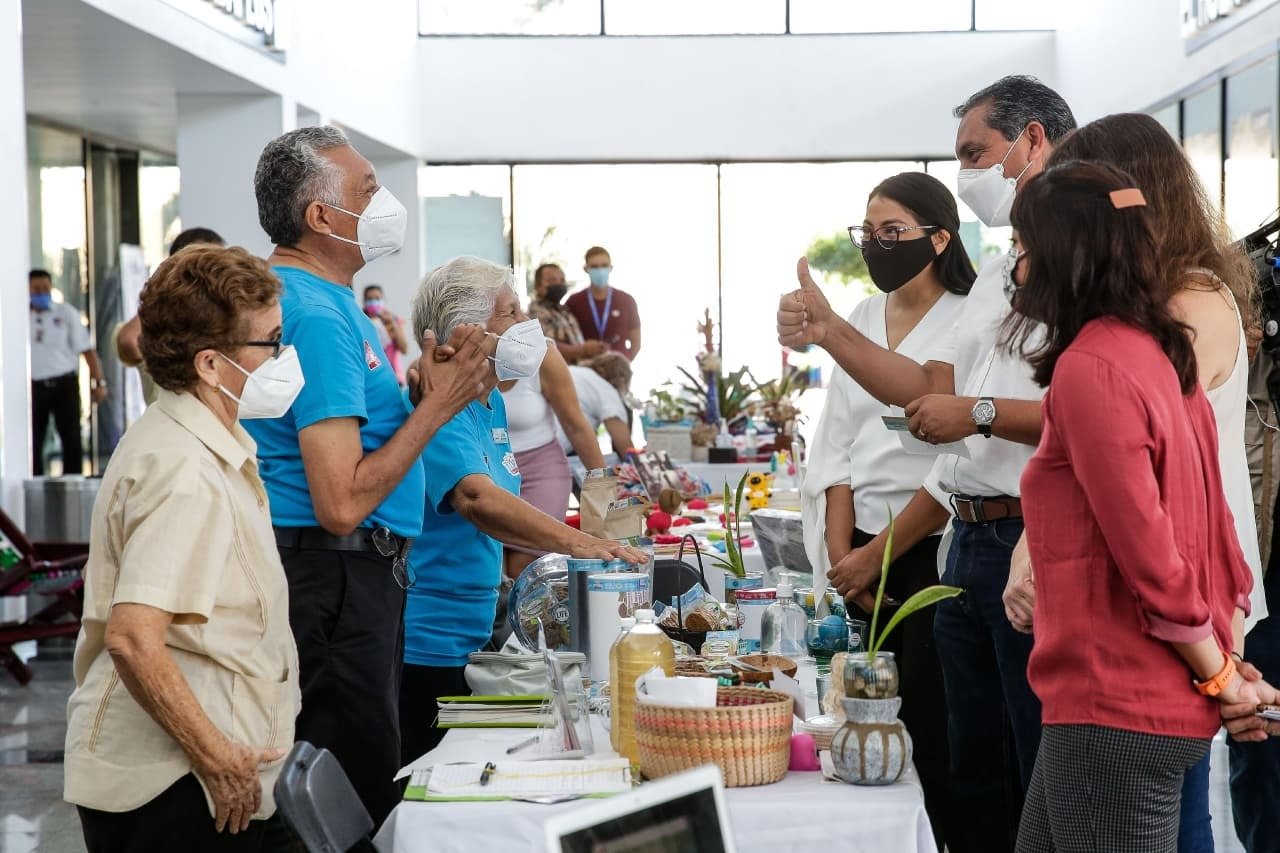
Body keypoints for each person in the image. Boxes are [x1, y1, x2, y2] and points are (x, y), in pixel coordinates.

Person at [778, 75, 1075, 853]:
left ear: (1033, 141)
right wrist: (833, 331)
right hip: (965, 537)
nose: (966, 174)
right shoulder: (1003, 274)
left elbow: (1080, 412)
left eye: (975, 155)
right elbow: (929, 395)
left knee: (1028, 764)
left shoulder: (1081, 266)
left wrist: (976, 414)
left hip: (1020, 535)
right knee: (964, 767)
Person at [243, 125, 493, 827]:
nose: (385, 203)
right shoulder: (317, 314)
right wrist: (438, 407)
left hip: (346, 578)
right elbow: (341, 500)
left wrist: (420, 400)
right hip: (335, 580)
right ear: (321, 216)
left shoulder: (320, 301)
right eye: (368, 189)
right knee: (353, 789)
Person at [1009, 160, 1262, 852]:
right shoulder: (1161, 354)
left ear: (1065, 254)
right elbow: (1216, 535)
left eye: (1023, 247)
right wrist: (1224, 666)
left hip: (1114, 704)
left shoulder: (1093, 367)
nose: (1017, 267)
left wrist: (1220, 674)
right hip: (1120, 702)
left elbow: (1152, 556)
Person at [65, 246, 300, 851]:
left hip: (201, 772)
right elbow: (132, 637)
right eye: (272, 343)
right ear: (212, 365)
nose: (284, 358)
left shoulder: (202, 441)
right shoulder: (184, 470)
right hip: (174, 785)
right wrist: (217, 758)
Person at [399, 255, 646, 761]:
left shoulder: (488, 402)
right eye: (510, 312)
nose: (526, 324)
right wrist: (583, 543)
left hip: (473, 627)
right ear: (466, 331)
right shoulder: (439, 402)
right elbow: (476, 498)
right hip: (432, 638)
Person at [803, 172, 974, 847]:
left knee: (935, 728)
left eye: (893, 231)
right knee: (860, 726)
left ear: (940, 238)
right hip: (861, 559)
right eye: (868, 232)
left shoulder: (968, 317)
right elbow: (836, 447)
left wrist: (878, 554)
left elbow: (957, 464)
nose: (877, 244)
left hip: (933, 549)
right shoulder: (862, 316)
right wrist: (844, 557)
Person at [502, 325, 608, 580]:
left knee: (524, 566)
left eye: (518, 310)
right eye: (509, 312)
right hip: (489, 469)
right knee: (492, 566)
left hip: (541, 468)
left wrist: (604, 489)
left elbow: (576, 426)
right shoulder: (464, 355)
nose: (523, 321)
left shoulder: (543, 352)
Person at [115, 227, 226, 407]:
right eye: (208, 263)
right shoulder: (163, 309)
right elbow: (129, 341)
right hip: (172, 417)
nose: (216, 272)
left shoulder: (218, 311)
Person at [29, 268, 106, 476]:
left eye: (45, 288)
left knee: (71, 437)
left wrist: (99, 382)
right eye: (36, 289)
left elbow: (87, 351)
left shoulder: (66, 313)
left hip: (64, 384)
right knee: (33, 439)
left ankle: (73, 482)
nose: (41, 293)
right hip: (34, 387)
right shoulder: (20, 318)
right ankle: (34, 481)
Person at [565, 246, 641, 361]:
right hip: (586, 367)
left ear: (611, 267)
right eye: (594, 266)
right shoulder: (574, 302)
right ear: (586, 269)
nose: (600, 270)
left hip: (619, 367)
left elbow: (636, 341)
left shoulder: (627, 300)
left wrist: (625, 362)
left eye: (604, 265)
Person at [556, 353, 635, 460]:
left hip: (538, 439)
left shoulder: (573, 370)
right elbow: (626, 448)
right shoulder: (606, 390)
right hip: (555, 449)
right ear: (622, 381)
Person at [528, 262, 605, 363]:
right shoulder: (536, 312)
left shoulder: (564, 310)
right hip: (561, 370)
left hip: (580, 366)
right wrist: (583, 349)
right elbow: (548, 347)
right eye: (552, 280)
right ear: (537, 286)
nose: (558, 284)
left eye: (562, 280)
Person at [362, 284, 410, 384]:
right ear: (364, 302)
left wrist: (392, 326)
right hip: (373, 378)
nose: (373, 302)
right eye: (369, 299)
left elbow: (404, 349)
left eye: (377, 298)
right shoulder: (361, 323)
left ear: (384, 300)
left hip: (395, 377)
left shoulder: (394, 320)